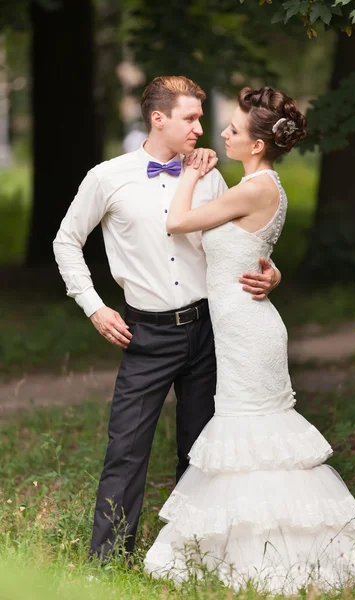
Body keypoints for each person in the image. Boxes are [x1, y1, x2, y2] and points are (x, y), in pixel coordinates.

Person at [144, 86, 355, 594]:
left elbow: (178, 222)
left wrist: (189, 175)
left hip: (248, 329)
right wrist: (271, 271)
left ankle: (274, 551)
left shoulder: (255, 187)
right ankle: (248, 545)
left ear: (257, 144)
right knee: (246, 435)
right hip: (239, 324)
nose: (224, 134)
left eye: (233, 129)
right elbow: (247, 249)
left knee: (256, 434)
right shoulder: (256, 183)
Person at [53, 76, 281, 561]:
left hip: (209, 330)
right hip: (146, 333)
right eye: (191, 117)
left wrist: (271, 273)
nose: (202, 127)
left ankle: (192, 555)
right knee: (127, 450)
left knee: (202, 451)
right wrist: (94, 306)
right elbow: (65, 241)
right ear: (158, 118)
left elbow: (237, 243)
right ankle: (107, 563)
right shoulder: (107, 177)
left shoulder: (212, 176)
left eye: (201, 117)